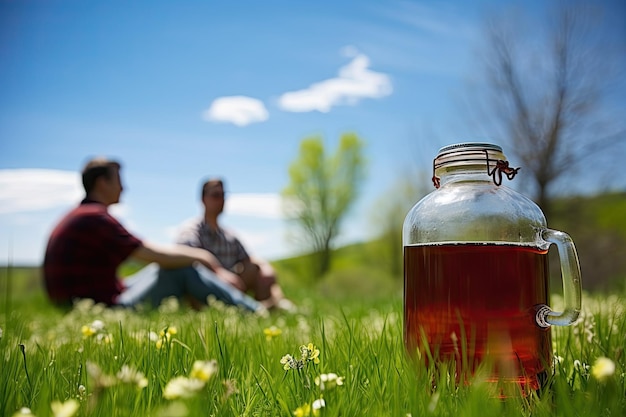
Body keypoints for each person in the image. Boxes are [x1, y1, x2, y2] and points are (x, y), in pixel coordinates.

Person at [43, 157, 263, 312]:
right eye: (119, 181)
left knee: (167, 266)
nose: (124, 188)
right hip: (97, 309)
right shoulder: (95, 218)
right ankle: (254, 311)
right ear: (102, 183)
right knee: (180, 269)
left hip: (84, 301)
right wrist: (203, 257)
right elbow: (151, 253)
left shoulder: (82, 215)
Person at [176, 178, 295, 311]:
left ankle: (272, 307)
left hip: (233, 287)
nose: (221, 200)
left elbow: (249, 258)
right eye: (215, 195)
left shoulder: (229, 235)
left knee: (257, 270)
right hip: (205, 290)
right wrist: (219, 273)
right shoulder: (191, 230)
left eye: (223, 195)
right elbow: (184, 263)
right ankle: (258, 310)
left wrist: (265, 267)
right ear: (203, 199)